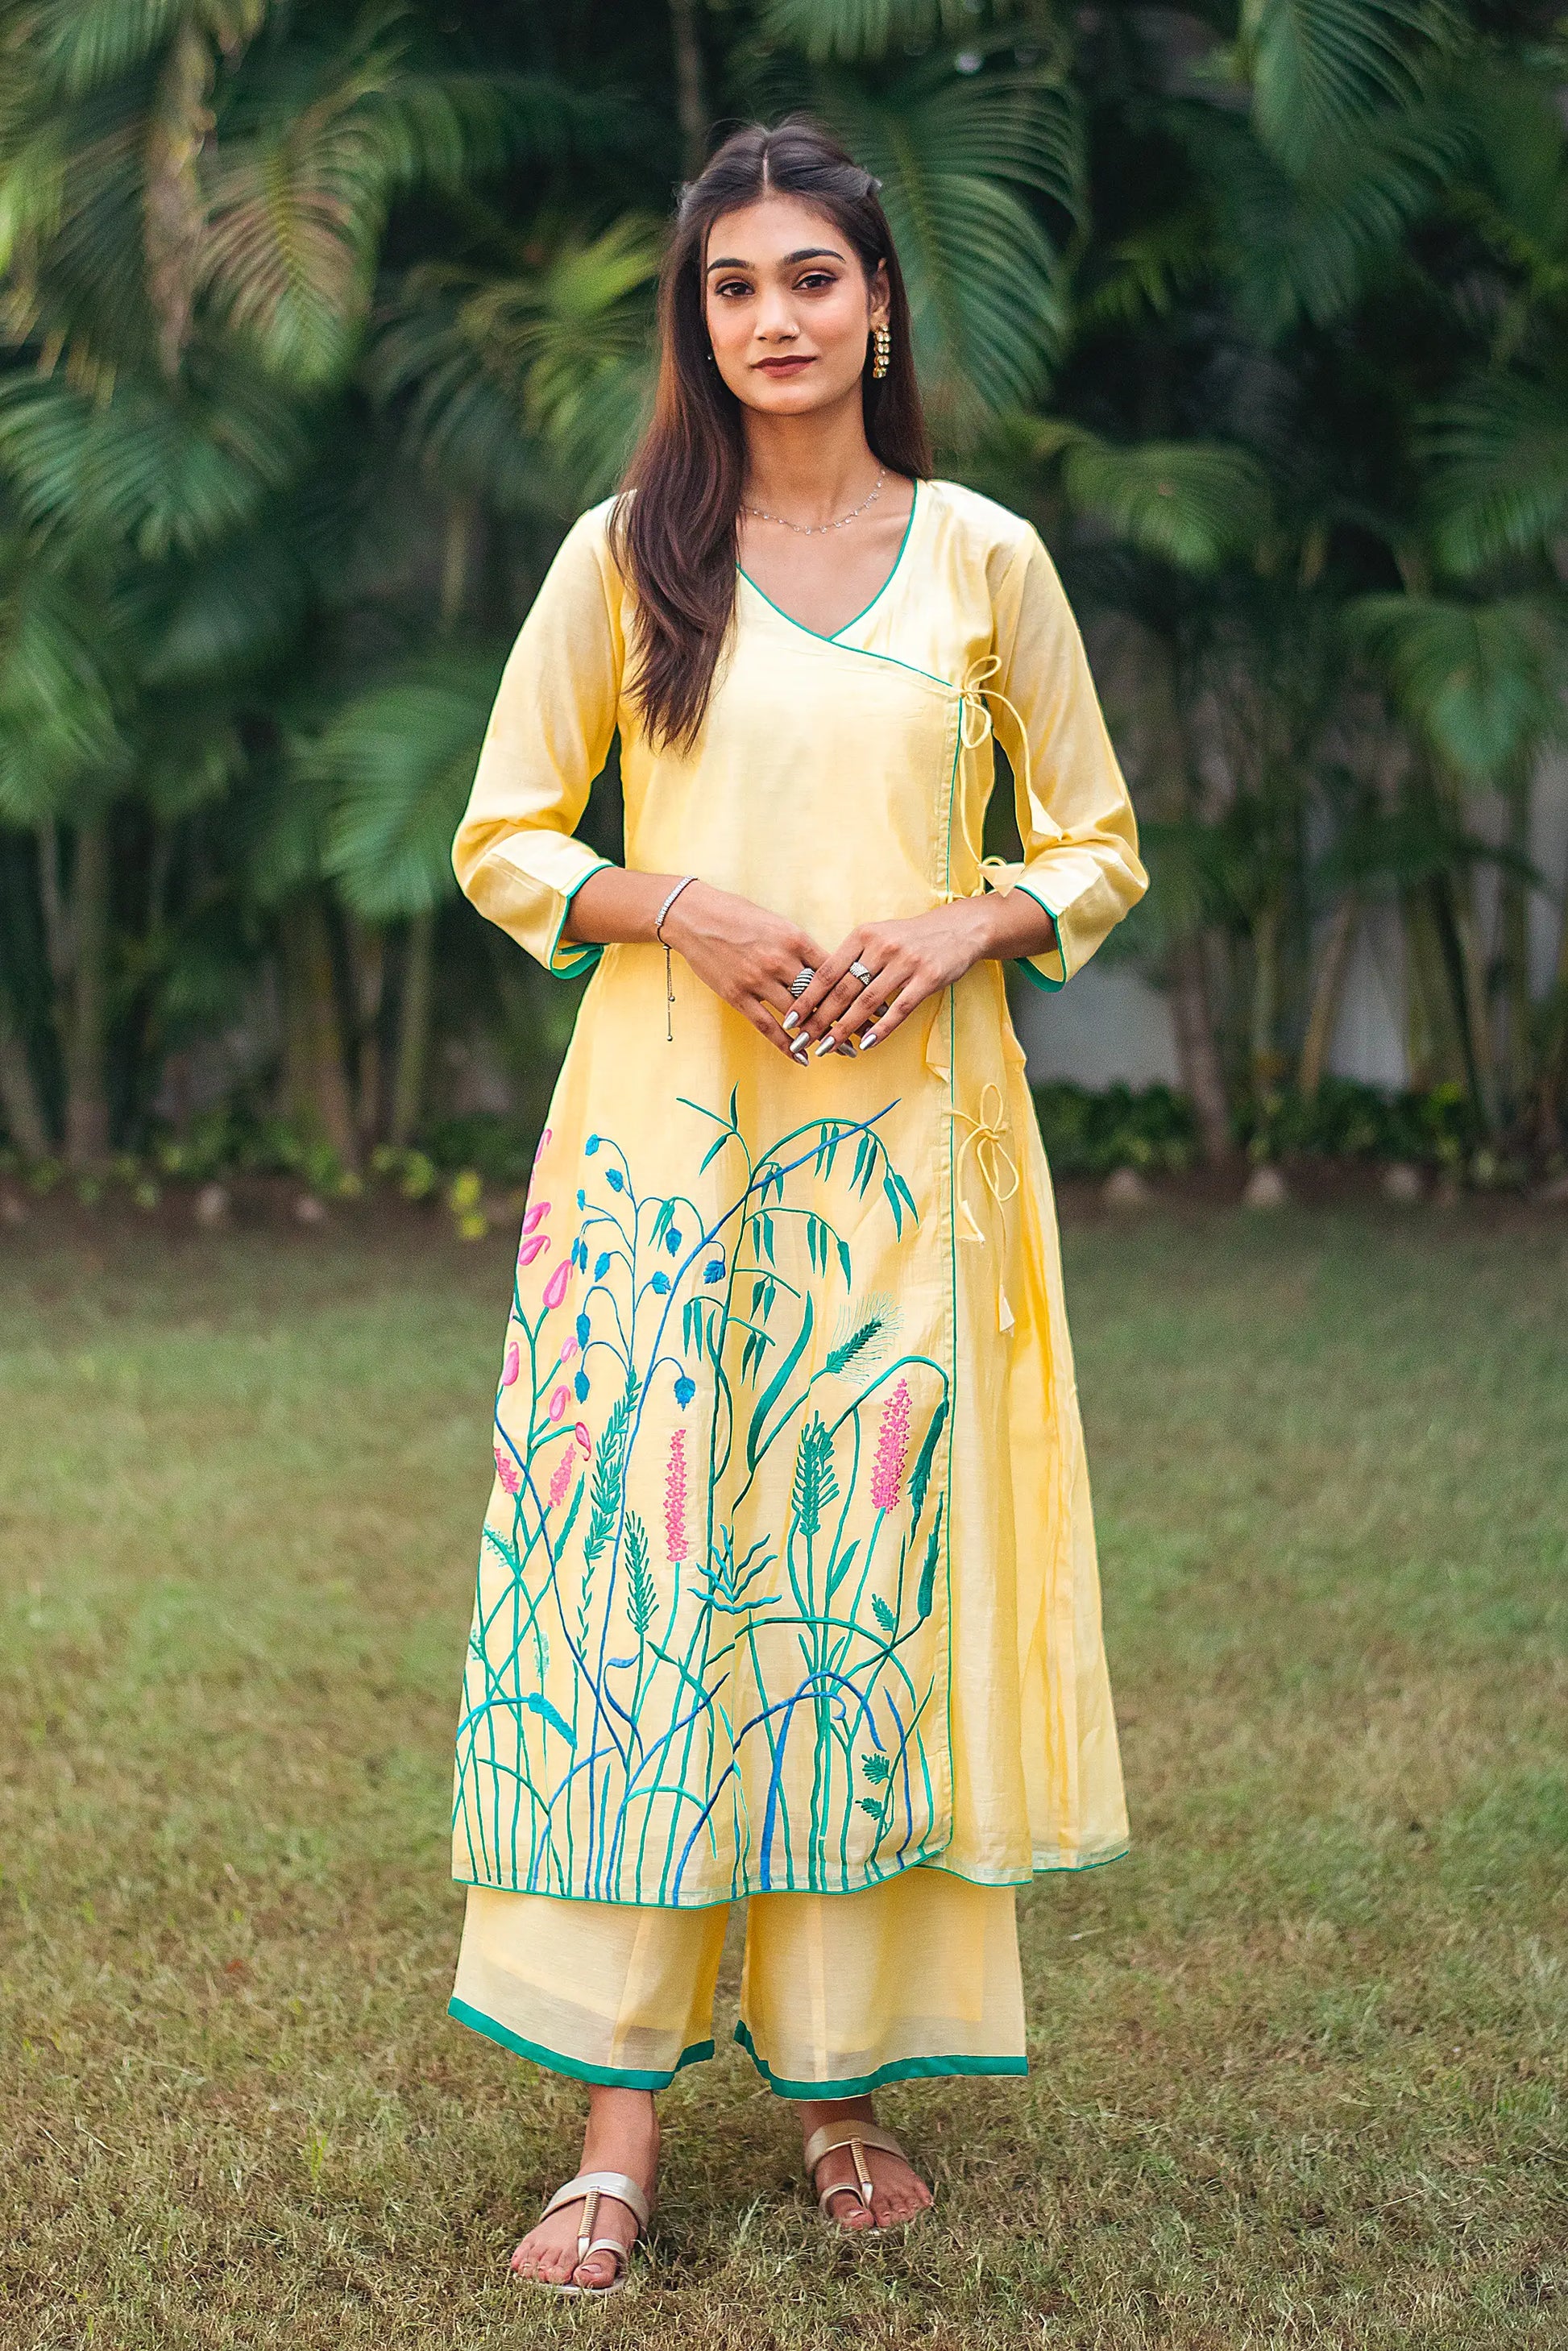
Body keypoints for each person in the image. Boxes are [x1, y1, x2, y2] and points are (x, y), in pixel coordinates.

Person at [446, 114, 1148, 2297]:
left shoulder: (984, 563)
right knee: (647, 1592)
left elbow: (1103, 842)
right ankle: (616, 2132)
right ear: (699, 314)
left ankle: (840, 2093)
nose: (771, 319)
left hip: (899, 1172)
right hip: (665, 1153)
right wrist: (679, 907)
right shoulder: (622, 552)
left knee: (847, 1596)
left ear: (878, 303)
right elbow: (501, 835)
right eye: (733, 286)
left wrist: (969, 926)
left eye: (809, 281)